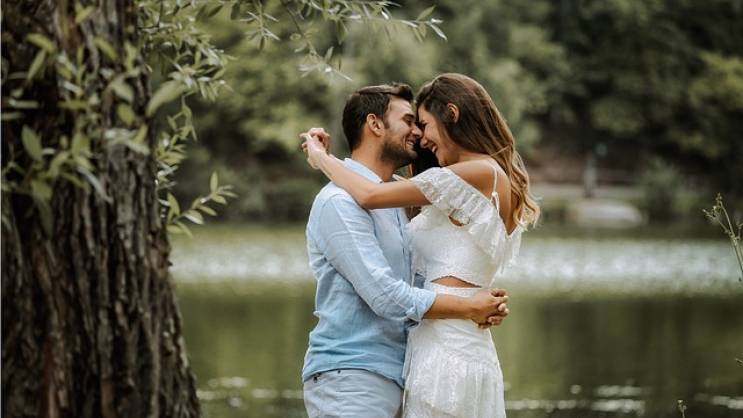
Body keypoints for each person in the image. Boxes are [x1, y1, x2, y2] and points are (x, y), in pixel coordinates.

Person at [302, 73, 540, 417]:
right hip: (360, 370)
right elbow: (387, 287)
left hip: (435, 350)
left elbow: (370, 193)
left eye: (423, 123)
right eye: (411, 121)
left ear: (452, 115)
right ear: (374, 124)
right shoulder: (343, 202)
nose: (420, 134)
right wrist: (467, 307)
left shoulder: (470, 175)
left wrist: (321, 157)